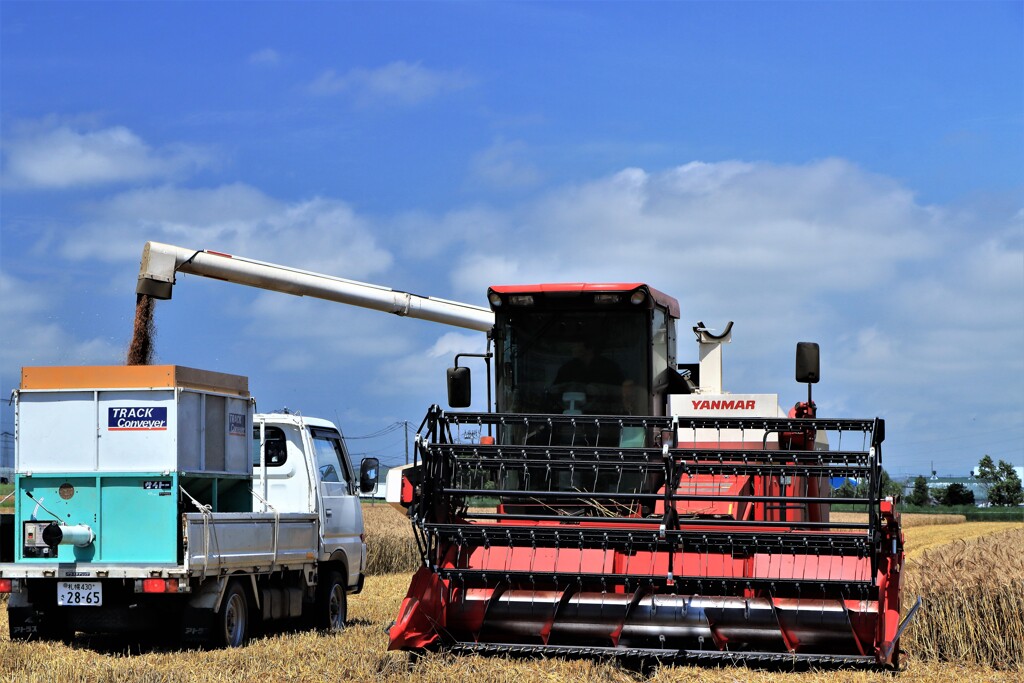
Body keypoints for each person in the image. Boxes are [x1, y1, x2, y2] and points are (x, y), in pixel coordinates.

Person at [553, 340, 624, 414]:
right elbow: (555, 393)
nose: (572, 346)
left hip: (604, 419)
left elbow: (621, 394)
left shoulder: (609, 368)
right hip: (569, 418)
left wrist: (600, 390)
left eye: (577, 343)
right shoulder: (567, 368)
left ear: (590, 347)